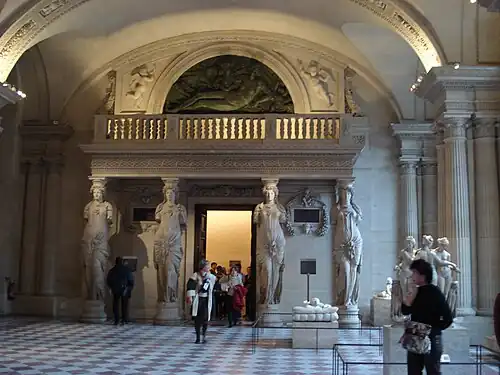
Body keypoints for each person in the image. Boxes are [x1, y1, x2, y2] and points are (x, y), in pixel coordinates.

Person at [402, 259, 453, 375]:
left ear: (423, 275)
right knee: (413, 371)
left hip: (431, 339)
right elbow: (404, 311)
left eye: (414, 272)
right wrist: (409, 298)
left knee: (432, 371)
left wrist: (433, 330)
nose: (412, 275)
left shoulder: (435, 292)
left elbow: (448, 318)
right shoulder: (415, 291)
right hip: (414, 338)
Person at [186, 259, 216, 344]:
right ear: (203, 267)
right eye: (207, 266)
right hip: (198, 300)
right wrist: (190, 296)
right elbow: (190, 286)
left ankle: (204, 336)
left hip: (207, 300)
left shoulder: (211, 276)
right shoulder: (195, 275)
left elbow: (215, 286)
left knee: (205, 319)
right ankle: (198, 337)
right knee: (197, 319)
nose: (209, 267)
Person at [106, 257, 134, 325]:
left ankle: (116, 320)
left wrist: (111, 287)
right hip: (125, 289)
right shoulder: (127, 270)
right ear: (122, 262)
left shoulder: (112, 270)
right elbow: (131, 280)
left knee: (115, 304)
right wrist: (129, 288)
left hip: (115, 289)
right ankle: (124, 319)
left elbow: (108, 280)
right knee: (124, 305)